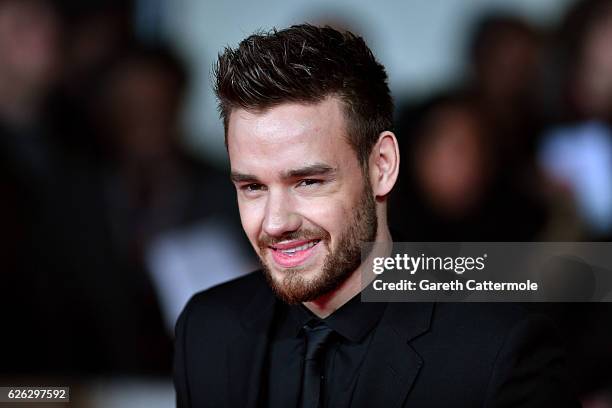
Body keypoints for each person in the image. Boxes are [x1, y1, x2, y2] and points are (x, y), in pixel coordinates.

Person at [173, 24, 580, 408]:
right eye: (253, 187)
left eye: (308, 182)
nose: (276, 222)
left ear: (381, 165)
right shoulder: (207, 331)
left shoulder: (498, 349)